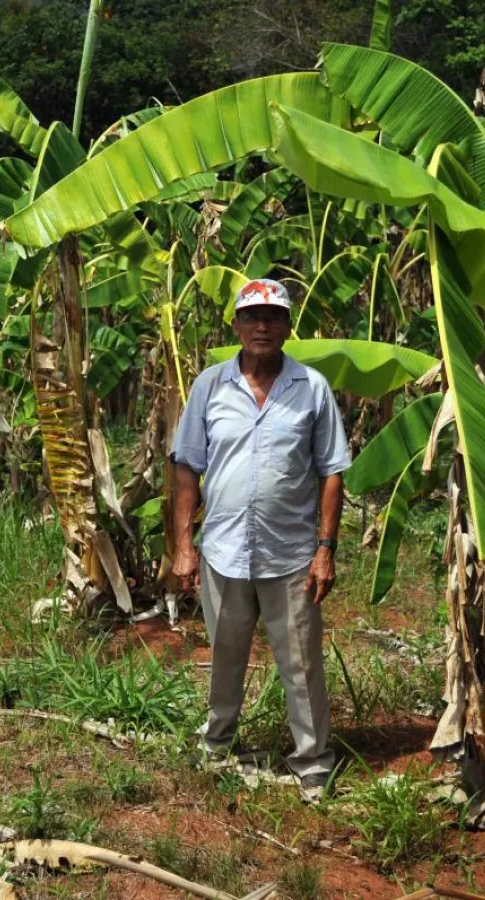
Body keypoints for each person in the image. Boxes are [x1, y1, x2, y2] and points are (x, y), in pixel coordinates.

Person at [169, 278, 351, 802]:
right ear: (237, 326)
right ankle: (218, 743)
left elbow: (332, 471)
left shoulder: (311, 388)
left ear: (288, 326)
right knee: (225, 654)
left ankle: (313, 761)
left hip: (291, 553)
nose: (262, 326)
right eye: (251, 317)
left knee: (300, 662)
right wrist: (184, 546)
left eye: (272, 317)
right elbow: (187, 467)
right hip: (223, 550)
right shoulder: (210, 386)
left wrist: (326, 549)